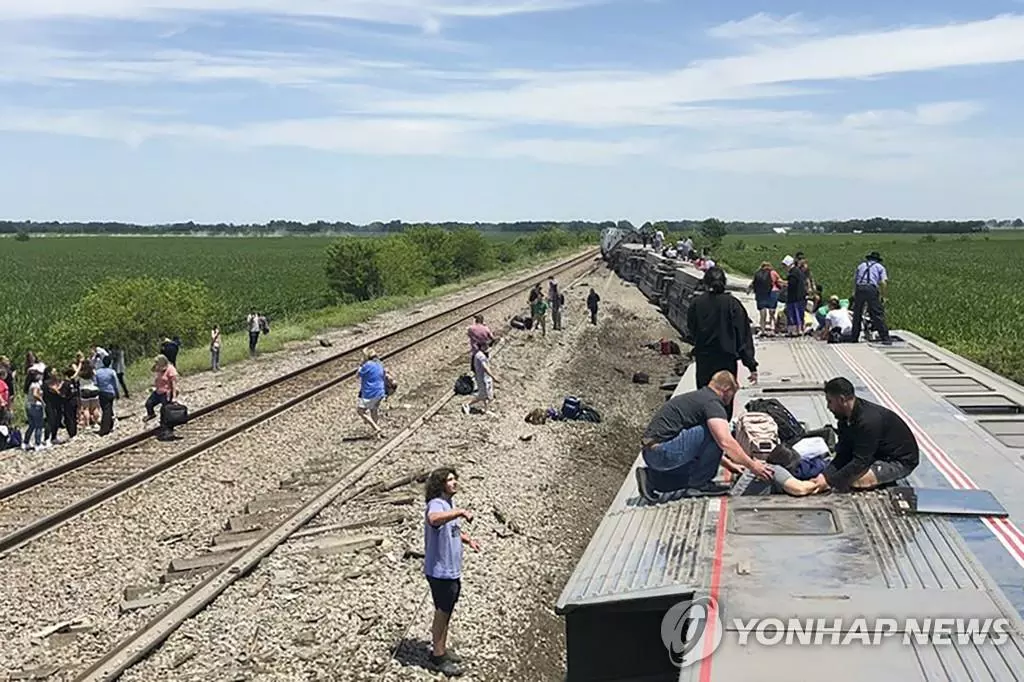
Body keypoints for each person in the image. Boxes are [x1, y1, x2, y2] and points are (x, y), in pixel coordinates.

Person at [636, 371, 773, 501]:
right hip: (664, 452)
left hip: (653, 453)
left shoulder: (699, 397)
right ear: (725, 388)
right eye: (732, 393)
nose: (731, 399)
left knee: (695, 468)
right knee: (719, 431)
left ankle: (652, 479)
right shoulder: (712, 403)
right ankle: (700, 485)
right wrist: (753, 466)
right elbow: (724, 442)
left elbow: (702, 445)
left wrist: (730, 464)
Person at [808, 378, 919, 493]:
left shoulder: (868, 421)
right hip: (875, 453)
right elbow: (843, 454)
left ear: (842, 399)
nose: (828, 407)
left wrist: (830, 483)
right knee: (841, 476)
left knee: (855, 481)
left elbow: (860, 462)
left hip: (898, 461)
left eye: (830, 401)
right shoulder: (844, 418)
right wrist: (825, 476)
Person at [423, 467, 480, 678]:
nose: (455, 482)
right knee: (442, 611)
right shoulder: (437, 504)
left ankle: (442, 649)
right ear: (440, 485)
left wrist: (468, 540)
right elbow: (434, 519)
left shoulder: (449, 504)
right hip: (440, 571)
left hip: (451, 570)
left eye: (455, 479)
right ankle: (437, 656)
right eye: (449, 480)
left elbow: (451, 528)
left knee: (447, 611)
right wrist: (460, 512)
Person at [686, 267, 758, 391]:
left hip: (704, 359)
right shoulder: (733, 304)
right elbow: (743, 336)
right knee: (725, 399)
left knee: (705, 400)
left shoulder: (696, 303)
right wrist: (751, 365)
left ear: (705, 283)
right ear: (724, 282)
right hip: (727, 360)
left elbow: (691, 330)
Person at [850, 251, 891, 344]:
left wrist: (854, 293)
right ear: (877, 260)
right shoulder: (880, 267)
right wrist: (884, 296)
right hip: (871, 289)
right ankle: (885, 337)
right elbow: (883, 282)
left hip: (860, 288)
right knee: (877, 313)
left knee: (857, 314)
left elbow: (855, 280)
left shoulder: (861, 266)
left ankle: (854, 337)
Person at [462, 341, 499, 415]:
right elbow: (485, 367)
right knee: (482, 395)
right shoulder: (480, 356)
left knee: (488, 395)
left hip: (486, 378)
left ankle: (486, 409)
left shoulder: (479, 354)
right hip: (482, 378)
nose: (487, 347)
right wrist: (494, 376)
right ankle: (467, 404)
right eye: (485, 346)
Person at [357, 348, 386, 438]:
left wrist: (360, 366)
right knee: (374, 410)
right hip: (380, 391)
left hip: (370, 392)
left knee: (361, 411)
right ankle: (377, 435)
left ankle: (376, 428)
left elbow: (358, 375)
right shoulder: (380, 364)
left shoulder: (367, 365)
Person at [748, 261, 781, 336]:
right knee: (772, 313)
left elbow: (753, 283)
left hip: (760, 294)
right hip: (772, 293)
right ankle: (773, 329)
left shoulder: (757, 273)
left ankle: (762, 330)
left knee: (762, 313)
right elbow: (779, 281)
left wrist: (749, 289)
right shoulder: (773, 273)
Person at [144, 354, 178, 423]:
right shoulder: (159, 368)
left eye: (157, 362)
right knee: (148, 403)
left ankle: (165, 422)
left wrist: (174, 397)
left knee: (164, 409)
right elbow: (152, 370)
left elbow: (174, 385)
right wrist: (156, 366)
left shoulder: (170, 369)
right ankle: (151, 414)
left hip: (166, 393)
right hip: (158, 391)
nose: (156, 364)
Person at [781, 255, 807, 336]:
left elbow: (791, 284)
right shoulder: (798, 271)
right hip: (800, 296)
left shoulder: (793, 273)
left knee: (793, 315)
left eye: (785, 266)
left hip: (794, 297)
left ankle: (794, 331)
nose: (784, 268)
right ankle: (799, 330)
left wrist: (782, 283)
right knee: (799, 314)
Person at [95, 355, 120, 436]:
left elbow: (95, 383)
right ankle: (107, 427)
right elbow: (116, 383)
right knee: (108, 409)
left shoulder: (98, 372)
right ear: (110, 363)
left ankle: (108, 426)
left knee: (105, 409)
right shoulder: (112, 372)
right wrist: (117, 392)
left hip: (101, 392)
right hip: (110, 392)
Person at [24, 369, 45, 451]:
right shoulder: (36, 385)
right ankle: (38, 443)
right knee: (38, 426)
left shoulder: (29, 384)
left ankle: (26, 442)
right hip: (35, 406)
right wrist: (42, 401)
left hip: (28, 405)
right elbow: (35, 394)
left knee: (31, 425)